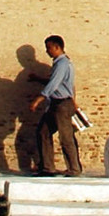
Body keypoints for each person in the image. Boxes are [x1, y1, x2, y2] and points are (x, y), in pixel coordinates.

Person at [32, 34, 81, 175]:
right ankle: (47, 167)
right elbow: (64, 84)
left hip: (62, 105)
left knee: (66, 137)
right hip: (56, 104)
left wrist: (38, 100)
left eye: (48, 48)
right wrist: (38, 79)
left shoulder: (62, 64)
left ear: (57, 47)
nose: (47, 51)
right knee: (43, 132)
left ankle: (74, 168)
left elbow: (54, 84)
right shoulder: (61, 64)